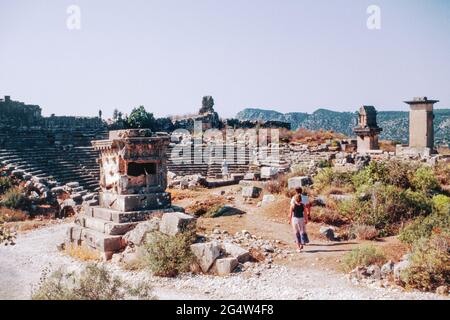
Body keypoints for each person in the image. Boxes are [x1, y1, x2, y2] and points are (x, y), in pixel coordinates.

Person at [288, 187, 310, 252]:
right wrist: (306, 219)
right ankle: (302, 243)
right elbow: (306, 212)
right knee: (302, 231)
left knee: (296, 232)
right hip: (302, 219)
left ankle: (298, 247)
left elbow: (290, 214)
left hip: (295, 219)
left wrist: (289, 220)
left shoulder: (293, 205)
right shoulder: (303, 204)